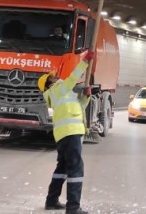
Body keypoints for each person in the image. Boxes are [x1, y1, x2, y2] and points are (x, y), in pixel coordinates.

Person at [38, 51, 94, 214]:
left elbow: (79, 109)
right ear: (48, 84)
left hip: (64, 135)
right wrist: (84, 62)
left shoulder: (61, 93)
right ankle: (73, 208)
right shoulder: (58, 89)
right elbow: (72, 79)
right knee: (76, 169)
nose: (56, 77)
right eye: (52, 77)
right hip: (70, 133)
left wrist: (86, 98)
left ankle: (52, 200)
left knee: (62, 167)